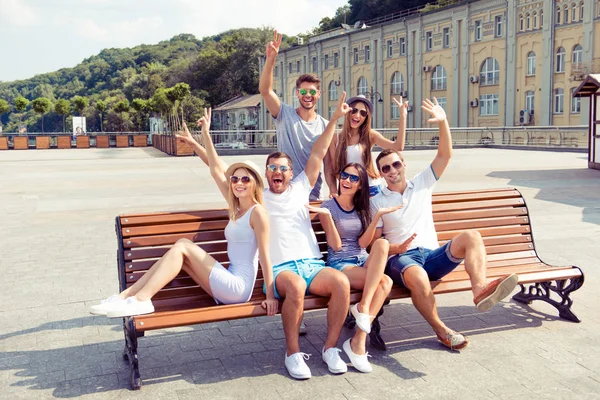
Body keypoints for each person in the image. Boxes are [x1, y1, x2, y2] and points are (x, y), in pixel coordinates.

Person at [90, 108, 278, 318]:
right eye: (235, 179)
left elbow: (265, 257)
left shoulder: (257, 213)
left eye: (245, 179)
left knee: (183, 245)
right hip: (227, 280)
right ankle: (124, 297)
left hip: (238, 287)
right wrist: (198, 141)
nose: (238, 183)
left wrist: (271, 296)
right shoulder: (236, 206)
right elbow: (216, 169)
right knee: (181, 251)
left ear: (255, 184)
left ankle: (141, 300)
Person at [368, 98, 518, 350]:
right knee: (417, 275)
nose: (392, 170)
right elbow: (376, 241)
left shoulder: (422, 182)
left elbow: (445, 154)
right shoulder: (378, 200)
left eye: (395, 164)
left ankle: (480, 289)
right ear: (381, 173)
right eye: (385, 168)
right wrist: (395, 249)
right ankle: (442, 330)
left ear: (404, 164)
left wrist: (443, 121)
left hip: (431, 255)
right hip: (401, 260)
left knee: (471, 235)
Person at [262, 91, 351, 379]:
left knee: (340, 282)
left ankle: (329, 348)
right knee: (297, 287)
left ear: (291, 173)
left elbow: (318, 152)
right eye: (273, 168)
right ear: (266, 173)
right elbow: (221, 174)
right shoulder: (257, 197)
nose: (278, 172)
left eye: (283, 168)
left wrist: (335, 119)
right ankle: (293, 353)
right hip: (281, 269)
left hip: (312, 264)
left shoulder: (301, 187)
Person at [307, 162, 404, 373]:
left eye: (353, 178)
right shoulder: (328, 207)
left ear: (361, 185)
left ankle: (362, 312)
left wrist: (377, 216)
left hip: (362, 260)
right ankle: (358, 341)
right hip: (341, 264)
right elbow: (336, 245)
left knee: (382, 244)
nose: (347, 181)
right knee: (385, 281)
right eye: (344, 176)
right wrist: (325, 215)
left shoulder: (363, 207)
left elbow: (362, 244)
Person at [259, 29, 332, 201]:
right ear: (297, 93)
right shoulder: (284, 113)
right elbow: (265, 90)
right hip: (284, 193)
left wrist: (333, 190)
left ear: (319, 95)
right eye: (304, 91)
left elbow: (328, 164)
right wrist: (271, 60)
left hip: (312, 195)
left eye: (312, 91)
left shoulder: (325, 125)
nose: (308, 95)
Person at [327, 94, 408, 198]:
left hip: (371, 188)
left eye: (363, 113)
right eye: (354, 110)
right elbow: (335, 169)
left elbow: (398, 147)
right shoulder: (336, 138)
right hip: (349, 190)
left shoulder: (370, 135)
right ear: (347, 111)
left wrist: (403, 117)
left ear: (366, 117)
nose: (357, 115)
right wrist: (335, 190)